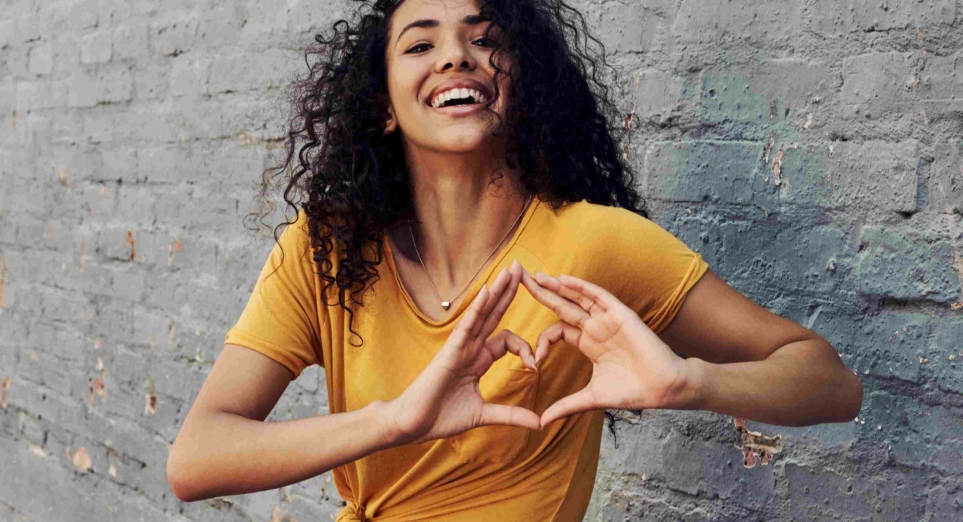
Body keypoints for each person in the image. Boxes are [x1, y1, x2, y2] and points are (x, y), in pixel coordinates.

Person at [166, 0, 863, 519]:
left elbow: (831, 383)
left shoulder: (594, 242)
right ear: (382, 104)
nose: (454, 56)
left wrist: (692, 382)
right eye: (420, 45)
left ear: (520, 83)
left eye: (485, 39)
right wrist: (397, 419)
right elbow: (196, 459)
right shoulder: (325, 250)